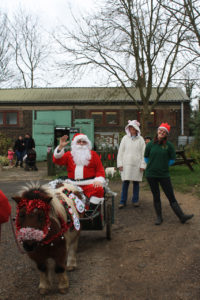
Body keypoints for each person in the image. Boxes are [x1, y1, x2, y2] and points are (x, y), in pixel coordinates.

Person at [144, 122, 194, 225]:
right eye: (160, 130)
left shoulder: (169, 146)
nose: (161, 132)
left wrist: (164, 165)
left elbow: (172, 159)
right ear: (157, 131)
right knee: (156, 196)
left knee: (170, 196)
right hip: (151, 174)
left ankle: (182, 216)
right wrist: (153, 165)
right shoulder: (150, 144)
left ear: (166, 134)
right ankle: (159, 217)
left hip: (164, 175)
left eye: (164, 132)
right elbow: (146, 157)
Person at [53, 133, 106, 206]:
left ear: (87, 144)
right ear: (74, 143)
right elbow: (57, 160)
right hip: (72, 185)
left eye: (84, 142)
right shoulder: (69, 154)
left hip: (89, 184)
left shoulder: (93, 155)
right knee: (60, 191)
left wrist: (98, 180)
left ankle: (91, 211)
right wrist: (60, 147)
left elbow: (100, 169)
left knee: (99, 189)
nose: (81, 143)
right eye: (79, 141)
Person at [117, 120, 146, 209]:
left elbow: (143, 153)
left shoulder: (141, 140)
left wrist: (143, 165)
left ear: (136, 129)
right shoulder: (125, 139)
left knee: (136, 183)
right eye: (130, 128)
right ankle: (122, 201)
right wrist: (120, 164)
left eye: (133, 128)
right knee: (125, 183)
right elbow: (120, 152)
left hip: (137, 165)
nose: (131, 130)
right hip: (126, 164)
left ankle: (135, 200)